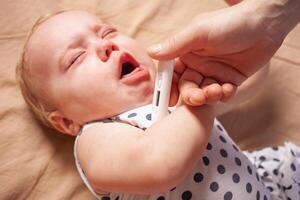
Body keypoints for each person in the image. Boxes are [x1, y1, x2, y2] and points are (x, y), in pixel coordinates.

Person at [16, 10, 300, 200]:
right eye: (76, 58)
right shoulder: (96, 138)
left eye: (107, 32)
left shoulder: (176, 93)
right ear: (66, 121)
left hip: (270, 188)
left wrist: (238, 55)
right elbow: (160, 165)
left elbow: (248, 84)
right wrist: (197, 97)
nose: (106, 46)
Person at [148, 0, 300, 106]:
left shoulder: (186, 89)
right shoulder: (126, 130)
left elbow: (249, 77)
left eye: (122, 38)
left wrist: (258, 23)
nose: (122, 51)